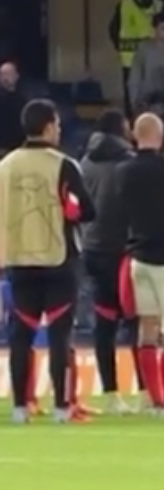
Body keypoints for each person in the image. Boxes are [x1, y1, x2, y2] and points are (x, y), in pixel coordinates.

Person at [0, 99, 95, 423]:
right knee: (60, 336)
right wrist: (71, 211)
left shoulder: (6, 166)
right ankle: (61, 407)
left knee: (20, 336)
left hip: (18, 259)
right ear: (50, 126)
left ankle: (19, 407)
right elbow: (87, 210)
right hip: (58, 260)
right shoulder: (63, 165)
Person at [107, 113, 164, 415]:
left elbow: (118, 211)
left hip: (138, 257)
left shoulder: (122, 171)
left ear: (134, 136)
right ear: (161, 135)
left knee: (147, 330)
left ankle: (156, 402)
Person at [77, 109, 137, 414]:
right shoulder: (129, 163)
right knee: (138, 320)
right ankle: (149, 393)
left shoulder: (85, 162)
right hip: (125, 249)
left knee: (105, 323)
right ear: (121, 130)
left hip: (93, 248)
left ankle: (112, 393)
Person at [109, 0, 164, 111]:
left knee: (154, 94)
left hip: (154, 59)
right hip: (130, 60)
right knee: (132, 94)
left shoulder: (159, 5)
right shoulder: (124, 5)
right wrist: (120, 47)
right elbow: (113, 29)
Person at [129, 13, 164, 115]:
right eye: (163, 28)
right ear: (155, 29)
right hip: (146, 101)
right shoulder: (144, 49)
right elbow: (135, 77)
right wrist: (134, 101)